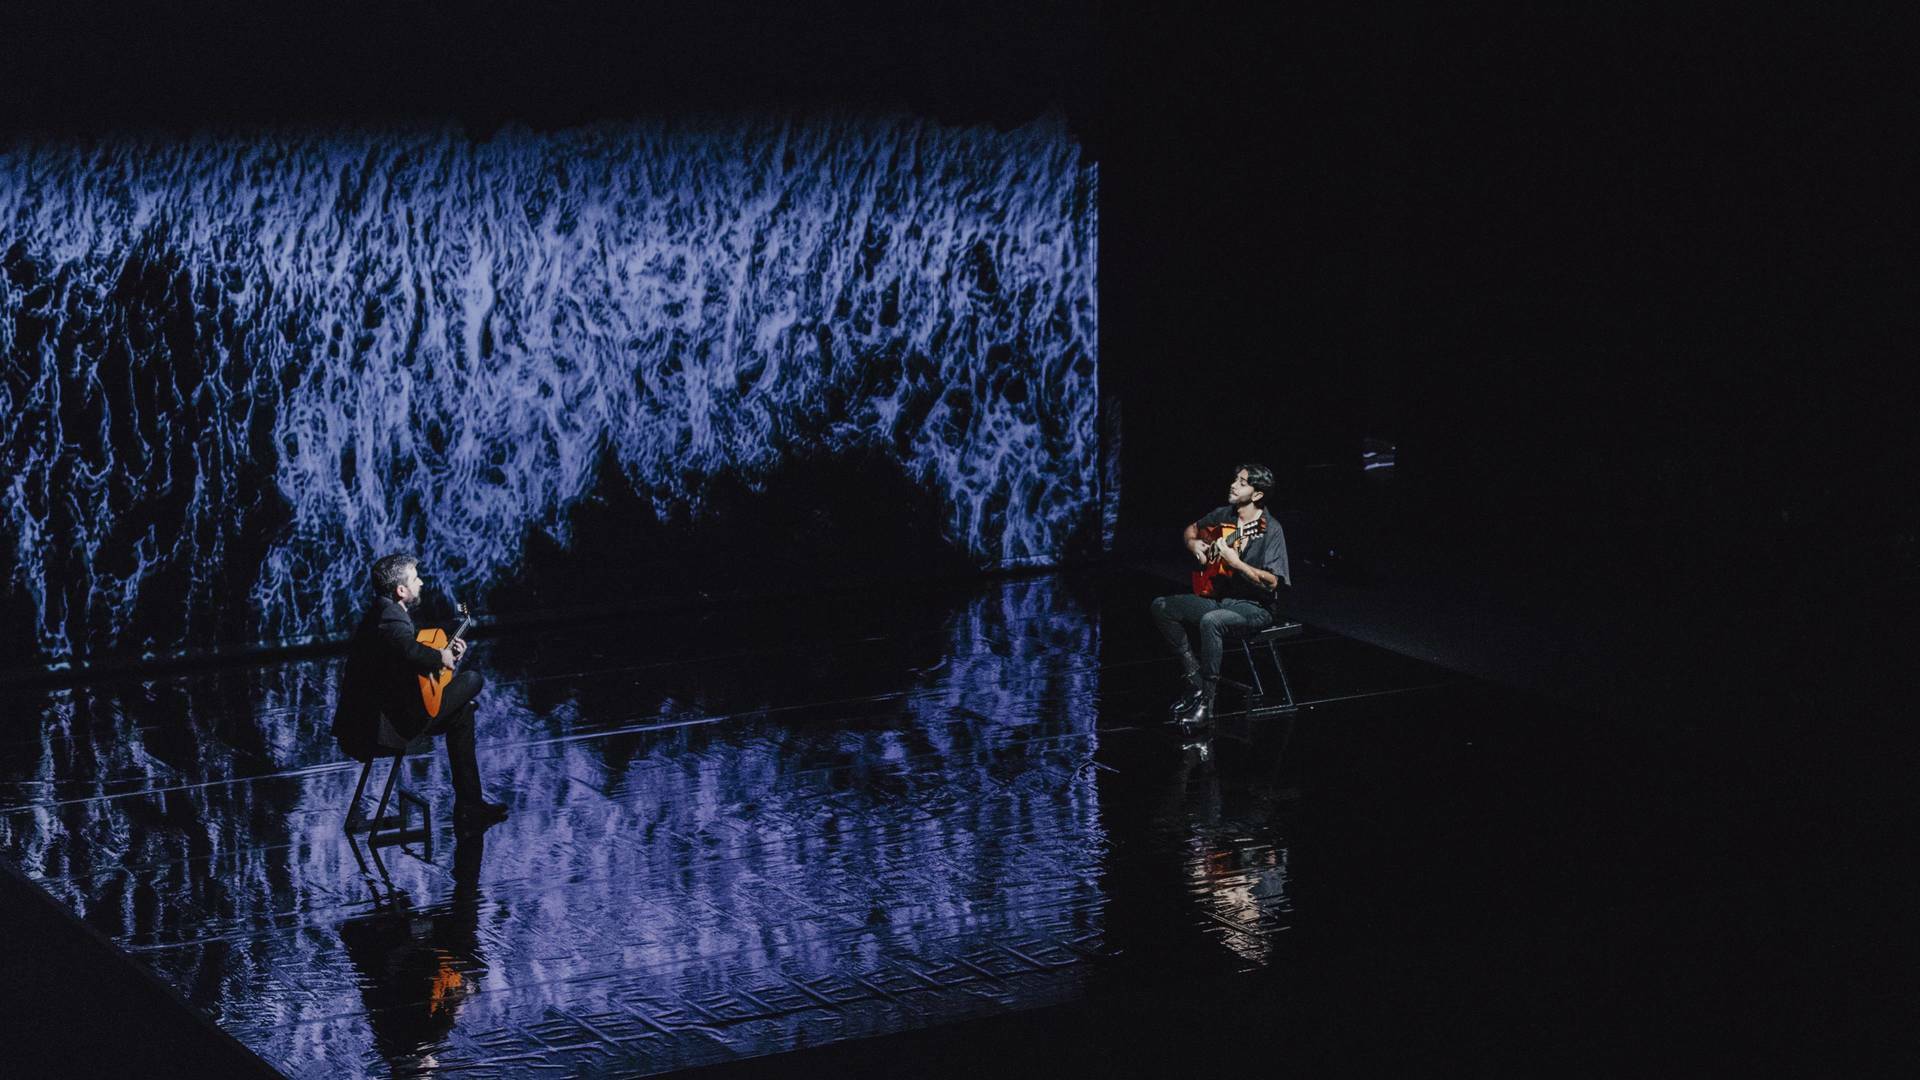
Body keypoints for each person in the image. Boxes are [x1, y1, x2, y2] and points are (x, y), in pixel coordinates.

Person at [334, 552, 508, 831]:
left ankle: (470, 805)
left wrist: (445, 655)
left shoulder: (383, 612)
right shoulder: (389, 617)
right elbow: (410, 650)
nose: (422, 583)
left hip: (387, 715)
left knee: (462, 713)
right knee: (473, 680)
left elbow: (404, 667)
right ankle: (469, 806)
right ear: (401, 590)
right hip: (384, 728)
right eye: (416, 579)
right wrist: (441, 658)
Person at [1149, 464, 1292, 728]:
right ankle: (1195, 682)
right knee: (1162, 606)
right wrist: (1194, 545)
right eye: (1235, 479)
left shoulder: (1270, 529)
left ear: (1257, 495)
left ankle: (1207, 706)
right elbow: (1191, 530)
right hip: (1220, 599)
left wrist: (1237, 564)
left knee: (1212, 621)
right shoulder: (1223, 514)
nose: (1233, 485)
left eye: (1242, 482)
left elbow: (1272, 583)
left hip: (1255, 607)